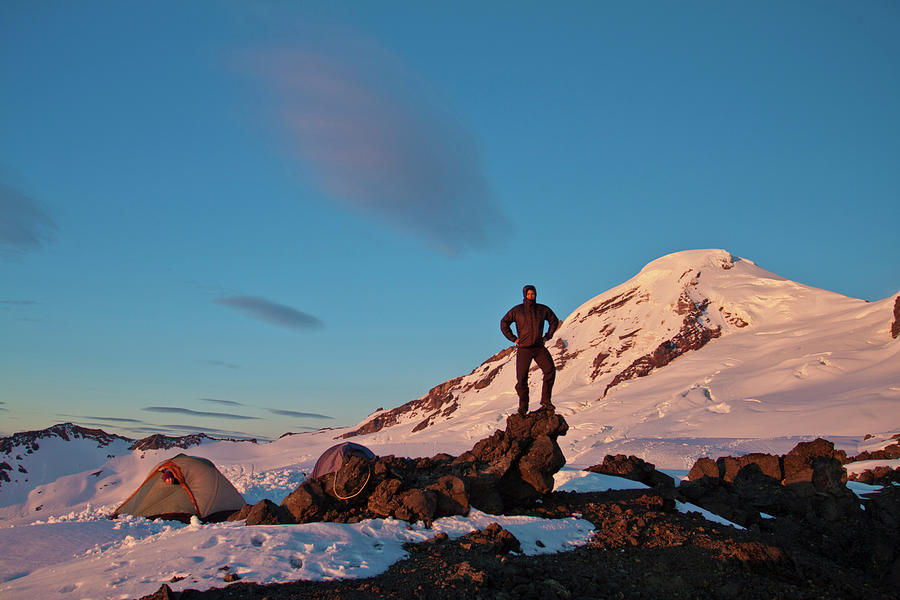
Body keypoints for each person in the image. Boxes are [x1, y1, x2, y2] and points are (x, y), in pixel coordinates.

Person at [500, 285, 560, 415]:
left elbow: (553, 321)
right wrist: (514, 339)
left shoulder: (542, 309)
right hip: (524, 349)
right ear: (525, 295)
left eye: (533, 294)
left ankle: (546, 401)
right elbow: (504, 323)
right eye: (529, 294)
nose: (531, 296)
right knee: (521, 379)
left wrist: (548, 336)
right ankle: (523, 406)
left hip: (539, 347)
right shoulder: (517, 310)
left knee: (550, 370)